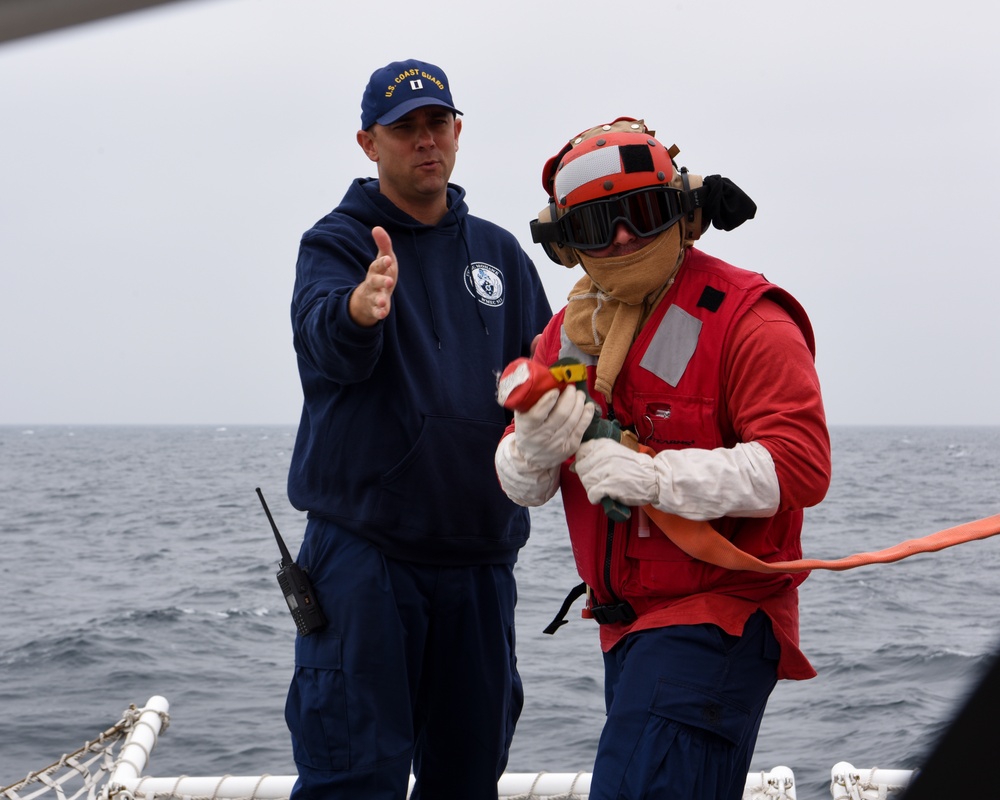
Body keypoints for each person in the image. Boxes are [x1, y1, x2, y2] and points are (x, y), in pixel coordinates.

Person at [495, 118, 831, 800]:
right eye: (597, 225)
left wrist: (657, 478)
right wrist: (529, 449)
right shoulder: (568, 336)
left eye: (642, 214)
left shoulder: (749, 319)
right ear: (568, 246)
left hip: (718, 620)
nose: (623, 238)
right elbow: (522, 483)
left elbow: (801, 465)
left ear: (682, 214)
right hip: (628, 636)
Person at [283, 59, 553, 800]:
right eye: (405, 129)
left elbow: (552, 381)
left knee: (468, 778)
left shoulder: (501, 254)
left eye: (437, 123)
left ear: (458, 131)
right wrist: (357, 312)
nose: (425, 140)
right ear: (369, 143)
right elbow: (322, 336)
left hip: (479, 563)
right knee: (353, 778)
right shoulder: (337, 244)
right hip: (365, 559)